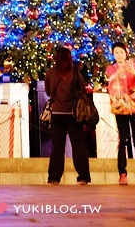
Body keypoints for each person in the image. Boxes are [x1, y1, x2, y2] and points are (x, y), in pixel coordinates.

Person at [106, 41, 135, 185]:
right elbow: (111, 81)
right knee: (123, 140)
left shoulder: (133, 66)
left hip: (134, 106)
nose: (119, 55)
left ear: (126, 53)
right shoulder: (111, 68)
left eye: (121, 52)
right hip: (121, 106)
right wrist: (120, 71)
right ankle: (122, 174)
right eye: (116, 52)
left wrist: (132, 71)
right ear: (113, 54)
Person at [45, 46, 91, 185]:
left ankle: (54, 177)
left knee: (57, 147)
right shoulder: (75, 73)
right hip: (73, 113)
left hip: (57, 112)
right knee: (78, 145)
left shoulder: (50, 73)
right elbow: (82, 89)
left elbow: (47, 91)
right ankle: (83, 176)